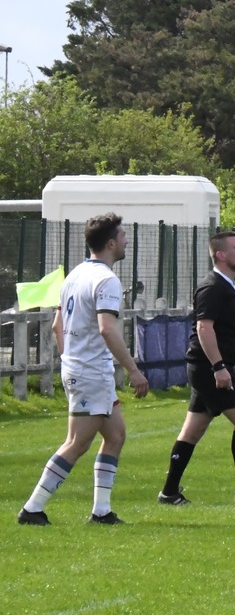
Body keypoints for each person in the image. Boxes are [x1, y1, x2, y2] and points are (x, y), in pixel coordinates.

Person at [19, 213, 149, 525]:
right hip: (91, 372)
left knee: (116, 435)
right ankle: (32, 509)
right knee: (77, 443)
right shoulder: (107, 280)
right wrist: (133, 370)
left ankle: (101, 512)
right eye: (123, 235)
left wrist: (71, 360)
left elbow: (56, 325)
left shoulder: (74, 275)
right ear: (111, 243)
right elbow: (107, 329)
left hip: (87, 370)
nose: (127, 240)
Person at [160, 229, 235, 507]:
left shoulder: (231, 287)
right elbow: (204, 327)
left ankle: (169, 492)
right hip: (209, 369)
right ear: (221, 255)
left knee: (192, 432)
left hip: (213, 369)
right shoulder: (212, 286)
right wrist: (219, 367)